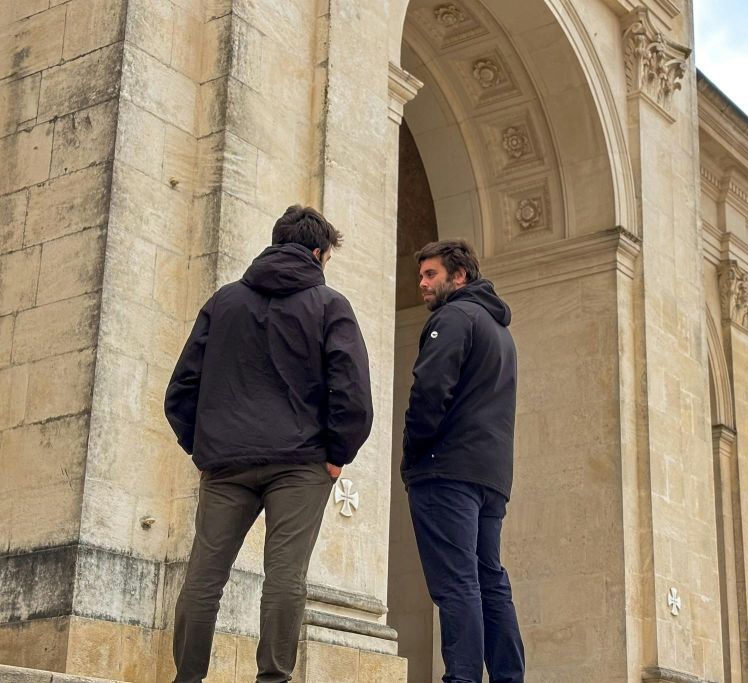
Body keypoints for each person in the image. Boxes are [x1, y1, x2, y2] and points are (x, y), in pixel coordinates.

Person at [165, 205, 374, 683]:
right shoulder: (329, 305)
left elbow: (181, 389)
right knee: (284, 576)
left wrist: (204, 447)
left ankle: (187, 679)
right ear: (319, 253)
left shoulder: (225, 301)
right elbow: (353, 393)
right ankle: (273, 680)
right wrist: (338, 454)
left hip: (225, 464)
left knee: (204, 576)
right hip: (301, 462)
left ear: (277, 242)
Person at [401, 239, 525, 683]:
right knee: (489, 579)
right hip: (490, 477)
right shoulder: (500, 333)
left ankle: (463, 678)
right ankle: (509, 676)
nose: (422, 283)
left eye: (431, 274)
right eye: (421, 275)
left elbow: (430, 389)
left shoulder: (453, 318)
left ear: (460, 276)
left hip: (447, 470)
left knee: (457, 583)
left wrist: (413, 450)